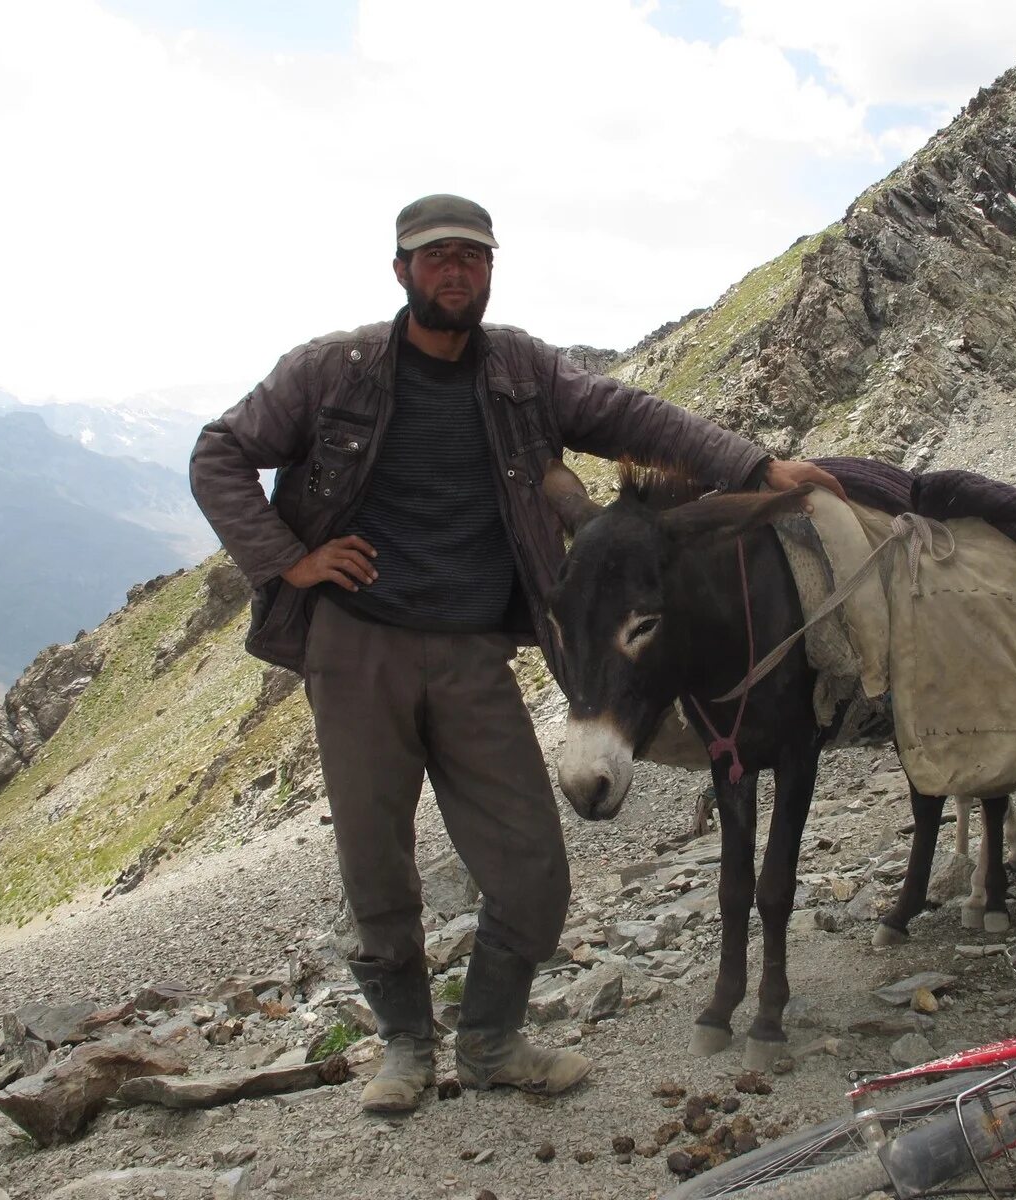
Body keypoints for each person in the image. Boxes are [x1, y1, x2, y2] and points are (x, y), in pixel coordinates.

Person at [190, 193, 842, 1114]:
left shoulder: (523, 373)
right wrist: (289, 561)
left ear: (490, 271)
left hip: (473, 653)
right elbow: (218, 453)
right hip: (356, 649)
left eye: (474, 257)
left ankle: (491, 1042)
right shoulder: (331, 370)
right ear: (401, 271)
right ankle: (406, 1049)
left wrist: (756, 469)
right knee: (377, 866)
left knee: (534, 866)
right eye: (436, 257)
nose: (457, 271)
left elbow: (633, 417)